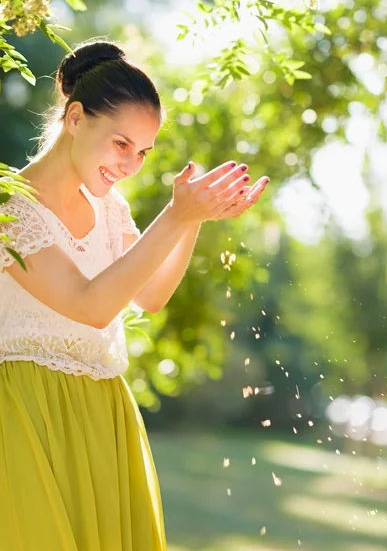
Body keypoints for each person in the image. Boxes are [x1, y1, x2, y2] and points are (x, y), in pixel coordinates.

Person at [0, 38, 270, 550]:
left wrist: (192, 219)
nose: (130, 164)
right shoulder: (11, 206)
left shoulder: (110, 209)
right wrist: (174, 217)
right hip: (27, 417)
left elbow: (150, 295)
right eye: (121, 144)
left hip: (104, 410)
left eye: (143, 152)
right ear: (75, 118)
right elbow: (90, 306)